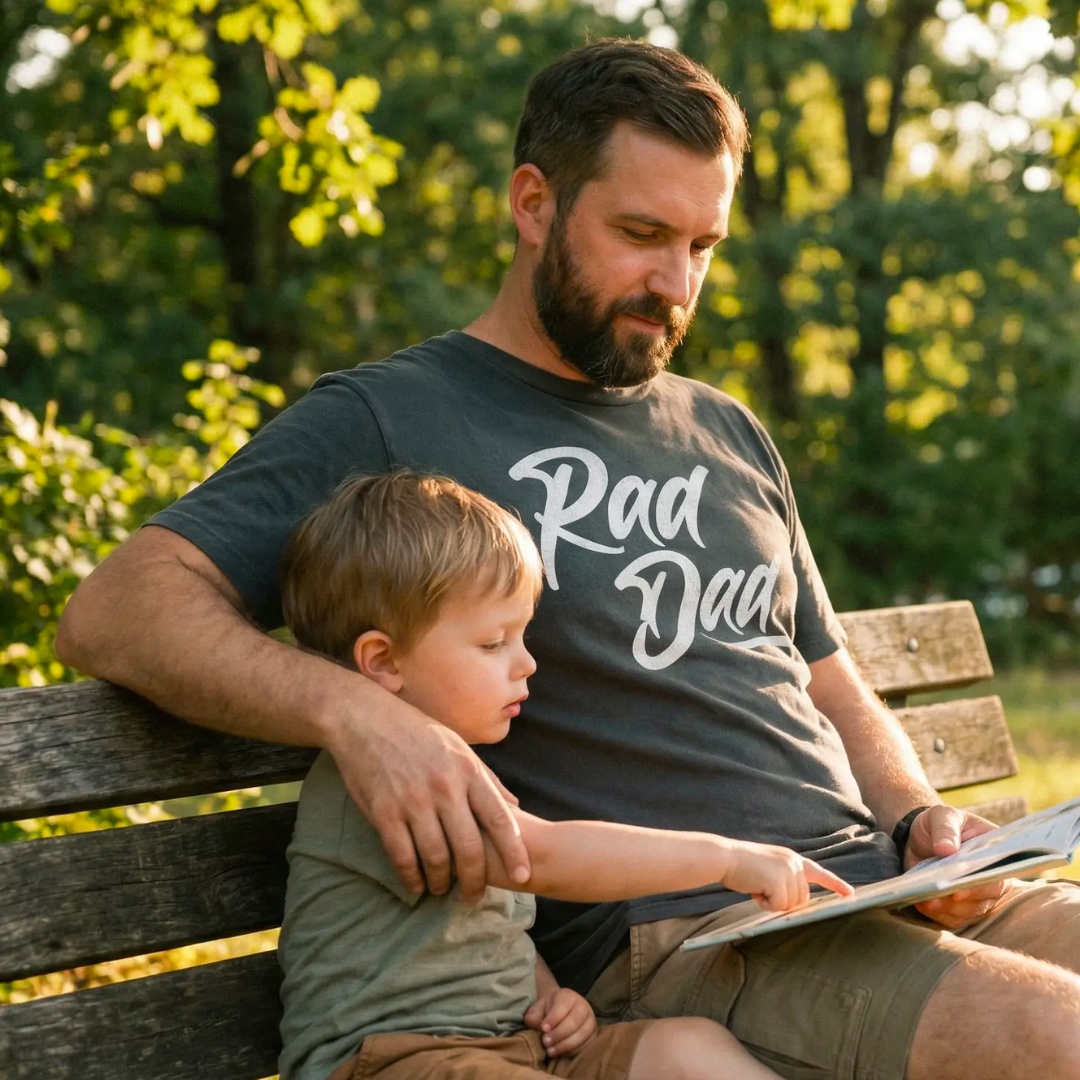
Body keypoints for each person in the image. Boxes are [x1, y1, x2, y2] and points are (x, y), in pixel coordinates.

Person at [56, 37, 1080, 1080]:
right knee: (1058, 1037)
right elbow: (117, 608)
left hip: (874, 891)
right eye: (641, 234)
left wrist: (920, 820)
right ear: (534, 203)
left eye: (703, 245)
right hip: (689, 942)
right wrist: (355, 715)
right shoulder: (389, 419)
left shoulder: (729, 429)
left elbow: (827, 679)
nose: (675, 283)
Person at [276, 469, 852, 1080]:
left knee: (685, 1048)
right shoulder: (386, 777)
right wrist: (727, 859)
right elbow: (540, 858)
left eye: (521, 635)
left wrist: (549, 996)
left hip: (514, 1050)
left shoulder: (460, 765)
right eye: (493, 643)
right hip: (395, 1062)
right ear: (383, 661)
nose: (527, 662)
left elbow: (490, 919)